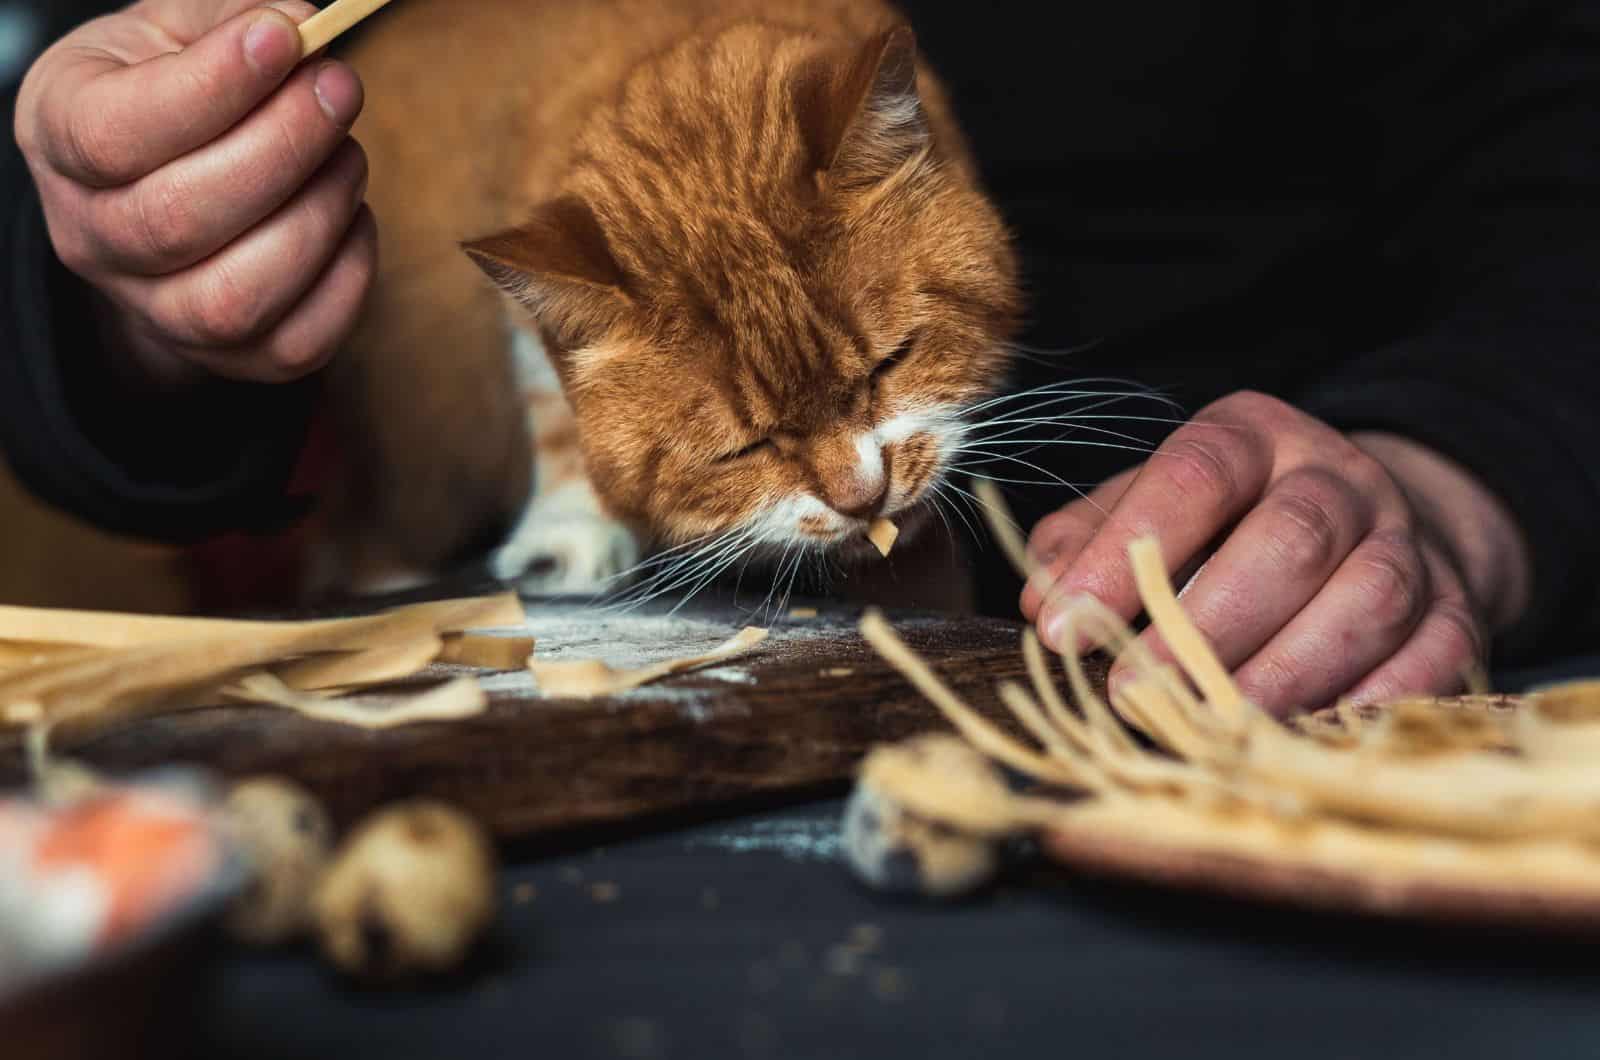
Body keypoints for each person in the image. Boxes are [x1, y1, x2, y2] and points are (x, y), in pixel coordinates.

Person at [5, 0, 1599, 714]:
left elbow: (1559, 170)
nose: (855, 489)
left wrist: (1454, 477)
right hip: (530, 674)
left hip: (1294, 638)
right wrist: (128, 269)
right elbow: (72, 224)